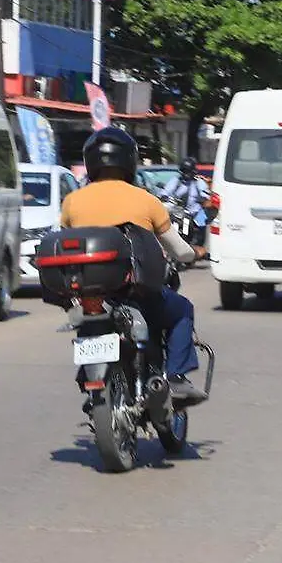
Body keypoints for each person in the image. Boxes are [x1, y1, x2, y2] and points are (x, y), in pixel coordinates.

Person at [60, 127, 209, 404]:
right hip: (136, 292)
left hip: (90, 297)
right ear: (129, 161)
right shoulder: (146, 200)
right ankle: (176, 377)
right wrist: (197, 253)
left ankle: (92, 377)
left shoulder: (72, 202)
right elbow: (179, 251)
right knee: (182, 309)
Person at [160, 157, 214, 249]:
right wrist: (163, 196)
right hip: (177, 212)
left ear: (193, 172)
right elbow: (165, 192)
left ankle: (197, 245)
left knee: (203, 219)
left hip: (193, 213)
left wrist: (204, 197)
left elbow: (206, 194)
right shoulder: (176, 181)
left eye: (188, 171)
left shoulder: (199, 183)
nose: (186, 174)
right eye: (184, 171)